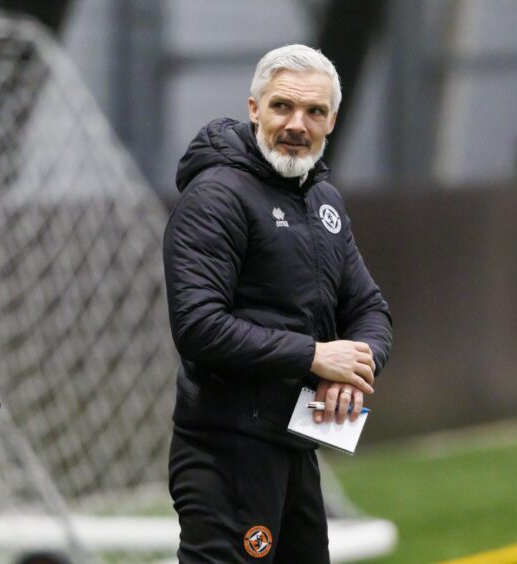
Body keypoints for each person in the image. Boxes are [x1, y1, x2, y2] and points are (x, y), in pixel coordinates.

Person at [164, 44, 393, 563]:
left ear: (332, 120)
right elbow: (199, 326)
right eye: (282, 107)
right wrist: (314, 356)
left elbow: (370, 309)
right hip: (226, 453)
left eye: (314, 112)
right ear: (253, 109)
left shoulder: (324, 201)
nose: (297, 124)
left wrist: (354, 367)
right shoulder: (216, 195)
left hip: (295, 446)